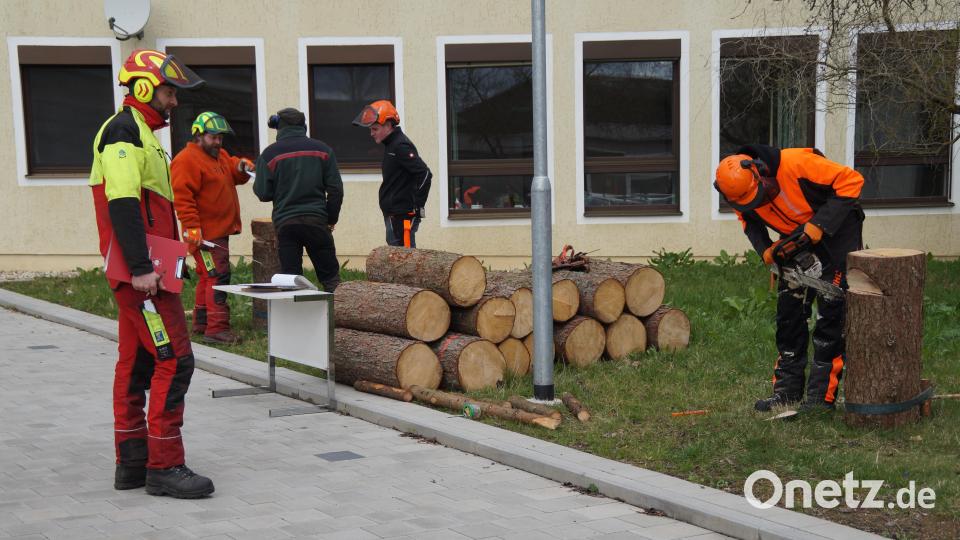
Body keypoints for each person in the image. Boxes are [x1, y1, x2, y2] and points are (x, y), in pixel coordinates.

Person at [89, 49, 214, 498]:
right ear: (143, 88)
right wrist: (142, 269)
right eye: (168, 92)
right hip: (143, 278)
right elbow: (123, 202)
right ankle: (164, 465)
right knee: (175, 361)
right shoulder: (124, 131)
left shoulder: (139, 132)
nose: (174, 102)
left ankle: (134, 462)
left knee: (137, 361)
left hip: (146, 273)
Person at [714, 144, 864, 413]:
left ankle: (821, 398)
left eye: (758, 197)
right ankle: (787, 390)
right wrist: (766, 251)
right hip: (796, 237)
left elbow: (851, 180)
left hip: (837, 229)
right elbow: (749, 222)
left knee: (831, 312)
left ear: (760, 173)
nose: (756, 203)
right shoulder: (738, 192)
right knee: (789, 312)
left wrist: (820, 225)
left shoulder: (796, 164)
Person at [171, 112, 254, 345]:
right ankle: (217, 329)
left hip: (218, 232)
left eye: (220, 138)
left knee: (207, 277)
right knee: (218, 276)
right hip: (205, 237)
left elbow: (232, 170)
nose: (218, 142)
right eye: (213, 137)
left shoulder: (219, 156)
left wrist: (241, 166)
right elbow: (182, 198)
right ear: (198, 135)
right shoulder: (187, 160)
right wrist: (192, 228)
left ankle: (201, 322)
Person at [253, 108, 343, 292]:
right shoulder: (324, 150)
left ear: (279, 128)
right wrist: (330, 218)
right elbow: (336, 190)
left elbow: (263, 193)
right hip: (317, 222)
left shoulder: (269, 155)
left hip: (286, 224)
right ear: (304, 126)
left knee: (291, 280)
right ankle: (340, 318)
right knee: (331, 279)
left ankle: (297, 318)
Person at [352, 100, 432, 248]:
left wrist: (417, 206)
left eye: (374, 129)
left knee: (404, 260)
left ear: (388, 125)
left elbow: (425, 174)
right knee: (396, 259)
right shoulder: (391, 145)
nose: (371, 133)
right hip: (394, 214)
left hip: (402, 215)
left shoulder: (400, 146)